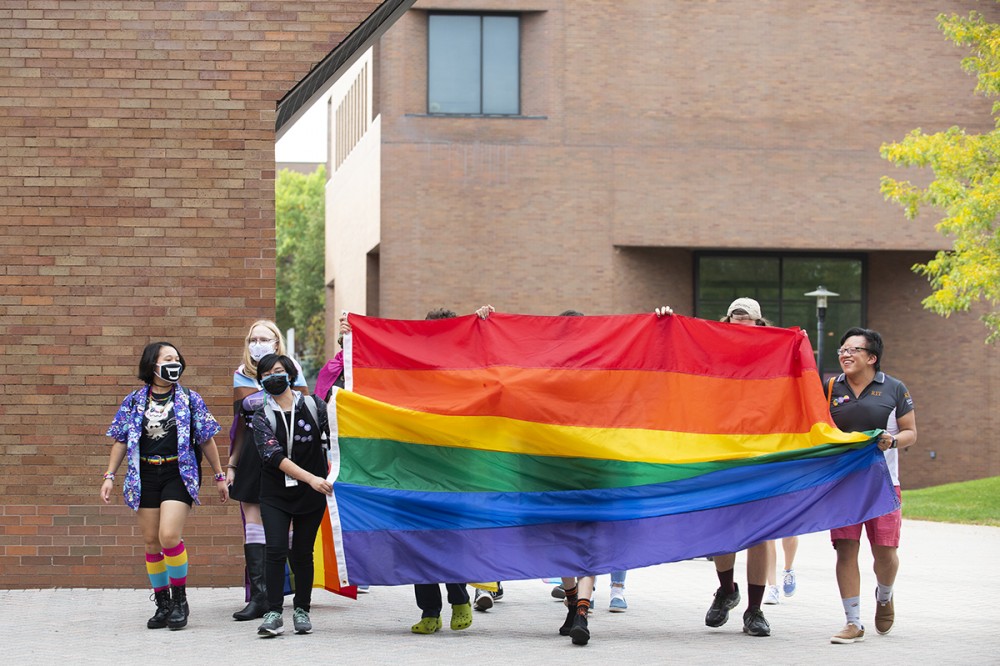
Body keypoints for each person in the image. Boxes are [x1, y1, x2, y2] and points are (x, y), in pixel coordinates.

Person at [656, 298, 773, 637]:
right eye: (734, 316)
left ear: (759, 323)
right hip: (719, 450)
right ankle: (726, 590)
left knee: (760, 533)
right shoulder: (712, 349)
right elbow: (675, 356)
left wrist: (797, 345)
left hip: (760, 453)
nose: (739, 321)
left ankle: (754, 610)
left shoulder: (771, 351)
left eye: (746, 317)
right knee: (721, 527)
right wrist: (666, 322)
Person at [101, 341, 229, 630]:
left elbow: (206, 438)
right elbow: (120, 440)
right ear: (153, 365)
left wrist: (219, 476)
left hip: (178, 473)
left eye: (176, 358)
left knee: (169, 536)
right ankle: (163, 603)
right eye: (167, 358)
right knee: (151, 542)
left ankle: (180, 599)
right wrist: (109, 475)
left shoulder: (190, 399)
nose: (174, 363)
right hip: (144, 474)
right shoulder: (134, 401)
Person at [827, 327, 916, 644]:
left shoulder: (894, 388)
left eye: (853, 349)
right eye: (842, 349)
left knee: (885, 554)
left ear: (872, 357)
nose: (845, 354)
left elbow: (910, 433)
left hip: (883, 485)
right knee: (846, 550)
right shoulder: (830, 388)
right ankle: (852, 622)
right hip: (844, 486)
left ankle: (885, 594)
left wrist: (891, 441)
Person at [227, 320, 310, 621]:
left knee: (284, 528)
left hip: (287, 454)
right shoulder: (241, 373)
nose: (258, 342)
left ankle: (292, 593)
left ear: (277, 342)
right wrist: (232, 465)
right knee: (253, 523)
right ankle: (259, 598)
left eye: (265, 338)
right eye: (254, 338)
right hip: (252, 455)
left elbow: (305, 413)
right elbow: (241, 427)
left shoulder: (293, 369)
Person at [252, 354, 333, 637]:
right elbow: (272, 455)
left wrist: (329, 476)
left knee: (302, 552)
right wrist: (312, 478)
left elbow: (335, 438)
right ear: (260, 380)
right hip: (275, 492)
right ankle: (274, 612)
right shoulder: (262, 414)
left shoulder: (314, 406)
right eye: (266, 374)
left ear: (290, 374)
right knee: (274, 549)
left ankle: (302, 610)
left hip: (311, 495)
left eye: (278, 371)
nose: (272, 376)